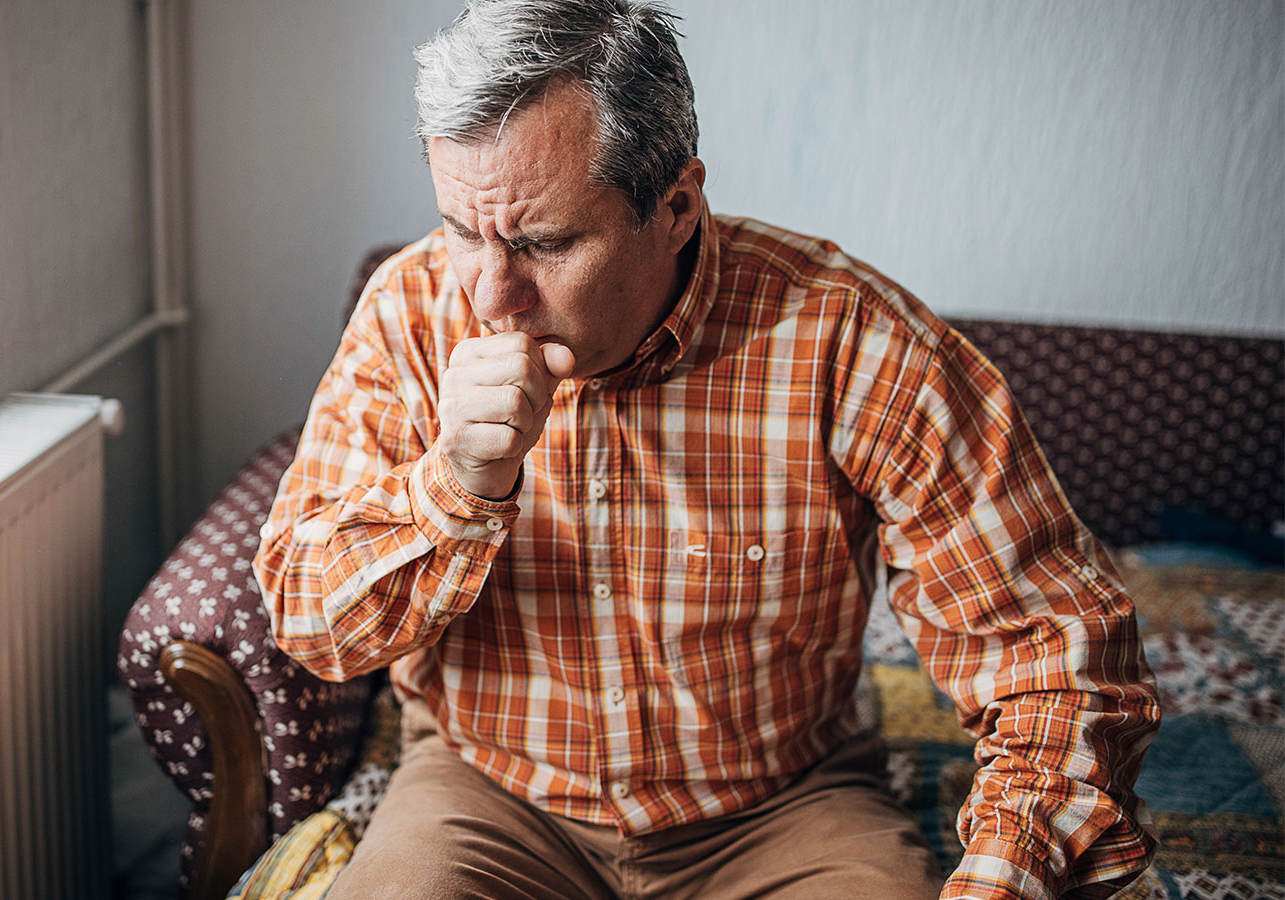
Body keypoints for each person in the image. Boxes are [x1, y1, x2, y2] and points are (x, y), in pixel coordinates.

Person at [253, 1, 1160, 897]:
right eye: (461, 229)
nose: (491, 297)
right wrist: (451, 486)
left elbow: (1058, 657)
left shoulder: (853, 342)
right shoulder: (406, 314)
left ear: (678, 204)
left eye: (545, 241)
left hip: (784, 807)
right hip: (487, 793)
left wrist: (1004, 882)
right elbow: (307, 620)